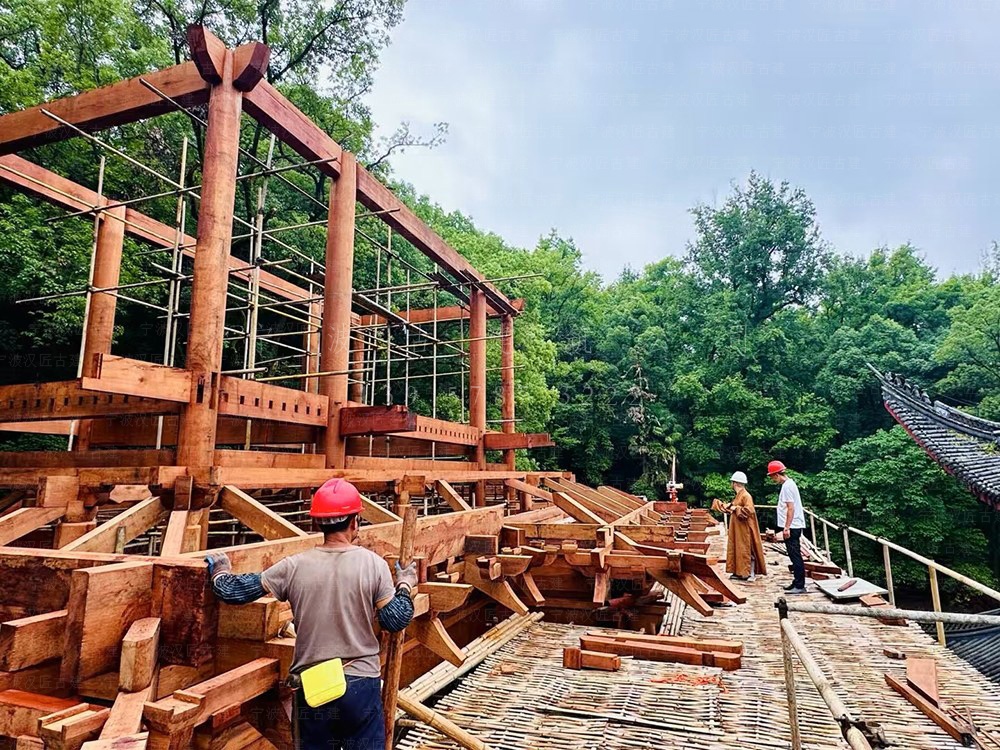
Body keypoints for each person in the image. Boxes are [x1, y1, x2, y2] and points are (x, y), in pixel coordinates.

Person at [204, 478, 418, 750]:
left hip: (315, 686)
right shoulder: (372, 564)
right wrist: (404, 584)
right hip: (360, 685)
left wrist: (220, 570)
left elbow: (233, 591)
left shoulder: (294, 566)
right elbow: (394, 619)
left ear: (317, 523)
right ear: (355, 521)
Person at [714, 471, 767, 581]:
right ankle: (739, 572)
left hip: (745, 529)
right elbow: (734, 507)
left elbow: (749, 511)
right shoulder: (739, 495)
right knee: (737, 549)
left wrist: (736, 509)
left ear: (735, 483)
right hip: (738, 529)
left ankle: (750, 573)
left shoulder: (746, 496)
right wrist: (726, 506)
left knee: (746, 549)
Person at [767, 460, 807, 594]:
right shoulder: (789, 484)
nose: (773, 480)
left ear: (777, 474)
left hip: (793, 526)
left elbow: (791, 508)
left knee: (795, 555)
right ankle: (796, 582)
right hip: (793, 525)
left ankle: (800, 585)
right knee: (793, 554)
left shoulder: (787, 487)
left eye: (772, 477)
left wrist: (787, 527)